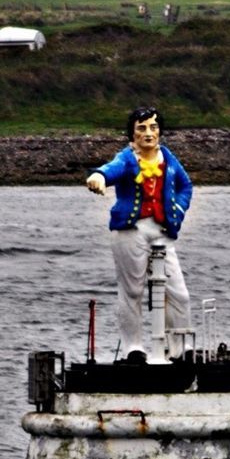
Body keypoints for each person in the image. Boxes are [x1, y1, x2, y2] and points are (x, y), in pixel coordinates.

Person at [86, 106, 192, 362]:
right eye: (142, 128)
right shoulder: (127, 159)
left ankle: (180, 346)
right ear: (132, 135)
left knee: (178, 291)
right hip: (130, 230)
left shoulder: (168, 158)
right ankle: (134, 347)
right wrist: (99, 176)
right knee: (132, 290)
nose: (148, 133)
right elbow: (111, 169)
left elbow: (185, 186)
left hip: (162, 230)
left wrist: (176, 210)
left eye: (153, 128)